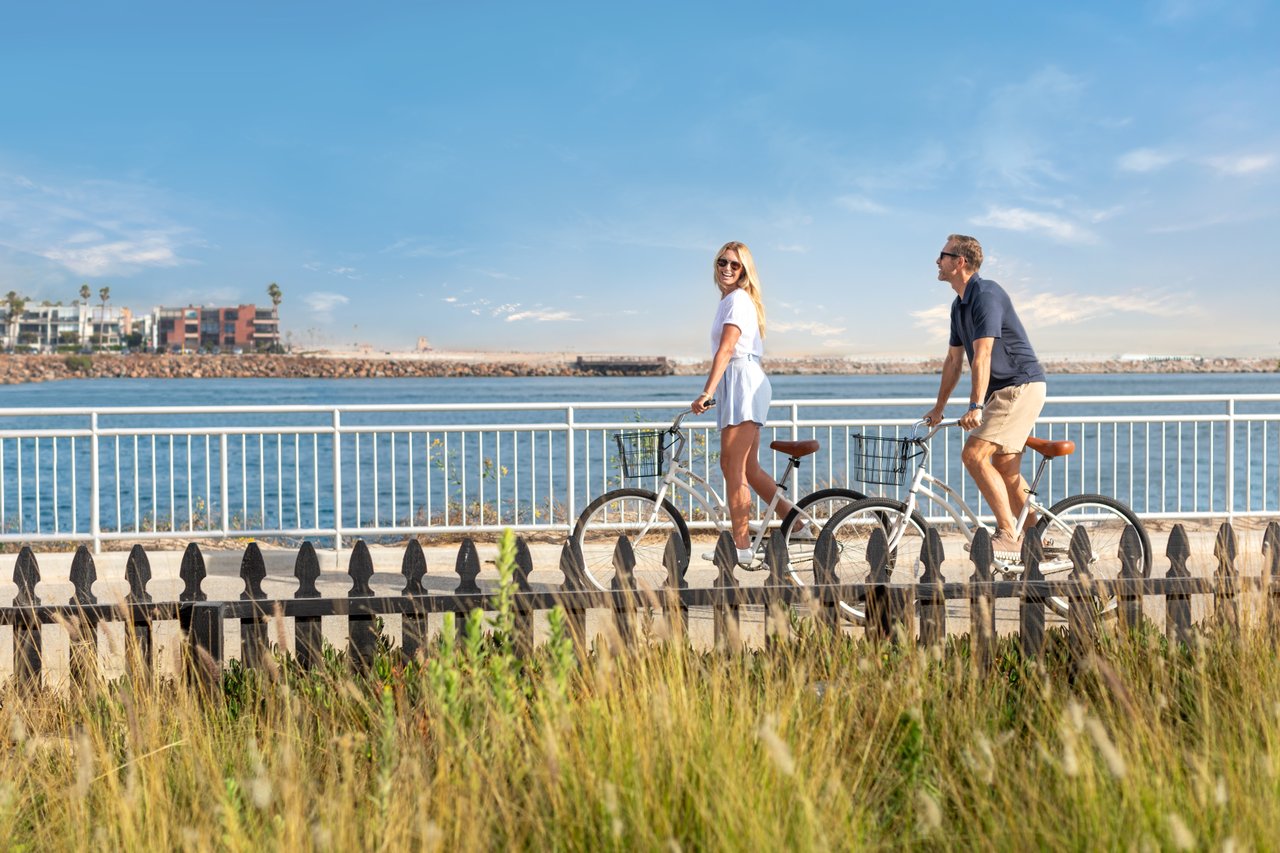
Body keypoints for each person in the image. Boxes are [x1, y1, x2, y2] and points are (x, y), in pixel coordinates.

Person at [922, 234, 1047, 559]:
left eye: (942, 255)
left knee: (974, 455)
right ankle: (1036, 541)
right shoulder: (959, 305)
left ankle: (1008, 534)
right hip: (1007, 390)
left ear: (959, 261)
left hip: (1019, 385)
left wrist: (975, 406)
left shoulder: (986, 294)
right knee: (1005, 467)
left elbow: (984, 353)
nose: (937, 261)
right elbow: (953, 361)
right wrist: (939, 407)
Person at [690, 242, 797, 567]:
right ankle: (799, 523)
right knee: (748, 468)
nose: (726, 268)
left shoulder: (736, 300)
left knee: (732, 467)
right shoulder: (731, 300)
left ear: (744, 272)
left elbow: (726, 350)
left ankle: (741, 548)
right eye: (722, 262)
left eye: (735, 265)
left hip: (741, 381)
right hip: (742, 382)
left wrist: (706, 392)